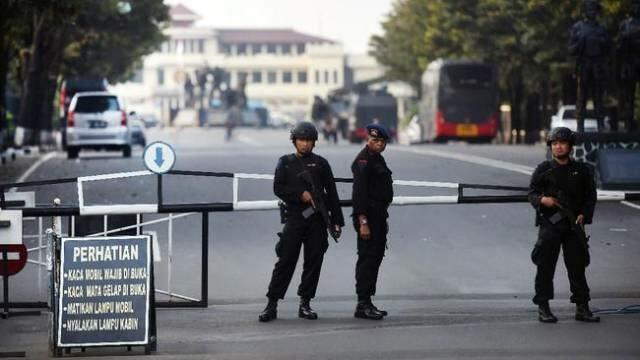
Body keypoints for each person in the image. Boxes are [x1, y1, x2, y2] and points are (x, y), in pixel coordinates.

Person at [259, 122, 344, 322]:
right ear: (294, 141)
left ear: (314, 142)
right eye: (301, 140)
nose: (305, 144)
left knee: (313, 262)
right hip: (296, 218)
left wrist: (336, 221)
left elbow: (331, 194)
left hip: (317, 221)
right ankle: (272, 304)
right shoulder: (285, 162)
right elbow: (278, 188)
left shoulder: (321, 163)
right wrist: (301, 195)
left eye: (308, 140)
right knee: (286, 261)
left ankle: (305, 303)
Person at [528, 127, 599, 323]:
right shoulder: (543, 169)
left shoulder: (582, 170)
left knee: (577, 266)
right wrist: (543, 200)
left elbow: (590, 196)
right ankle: (543, 307)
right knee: (545, 267)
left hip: (574, 225)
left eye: (562, 143)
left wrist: (584, 214)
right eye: (555, 144)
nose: (558, 147)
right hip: (550, 225)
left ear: (570, 146)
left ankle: (582, 307)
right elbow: (532, 193)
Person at [351, 124, 393, 320]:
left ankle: (368, 301)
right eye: (375, 140)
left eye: (382, 142)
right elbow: (359, 195)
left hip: (378, 216)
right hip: (367, 218)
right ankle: (362, 303)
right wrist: (363, 222)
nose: (379, 144)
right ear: (368, 140)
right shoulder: (363, 161)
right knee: (367, 259)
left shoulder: (377, 158)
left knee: (375, 258)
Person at [568, 0, 611, 133]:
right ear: (585, 11)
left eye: (594, 9)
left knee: (599, 97)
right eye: (589, 9)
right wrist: (579, 42)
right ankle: (580, 125)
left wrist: (603, 43)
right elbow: (571, 49)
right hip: (584, 67)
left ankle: (600, 125)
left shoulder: (601, 29)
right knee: (582, 98)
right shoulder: (578, 27)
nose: (592, 12)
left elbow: (609, 49)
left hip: (597, 67)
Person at [617, 0, 640, 132]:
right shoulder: (625, 25)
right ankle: (629, 121)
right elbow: (619, 47)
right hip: (630, 63)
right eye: (634, 5)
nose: (636, 8)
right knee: (628, 95)